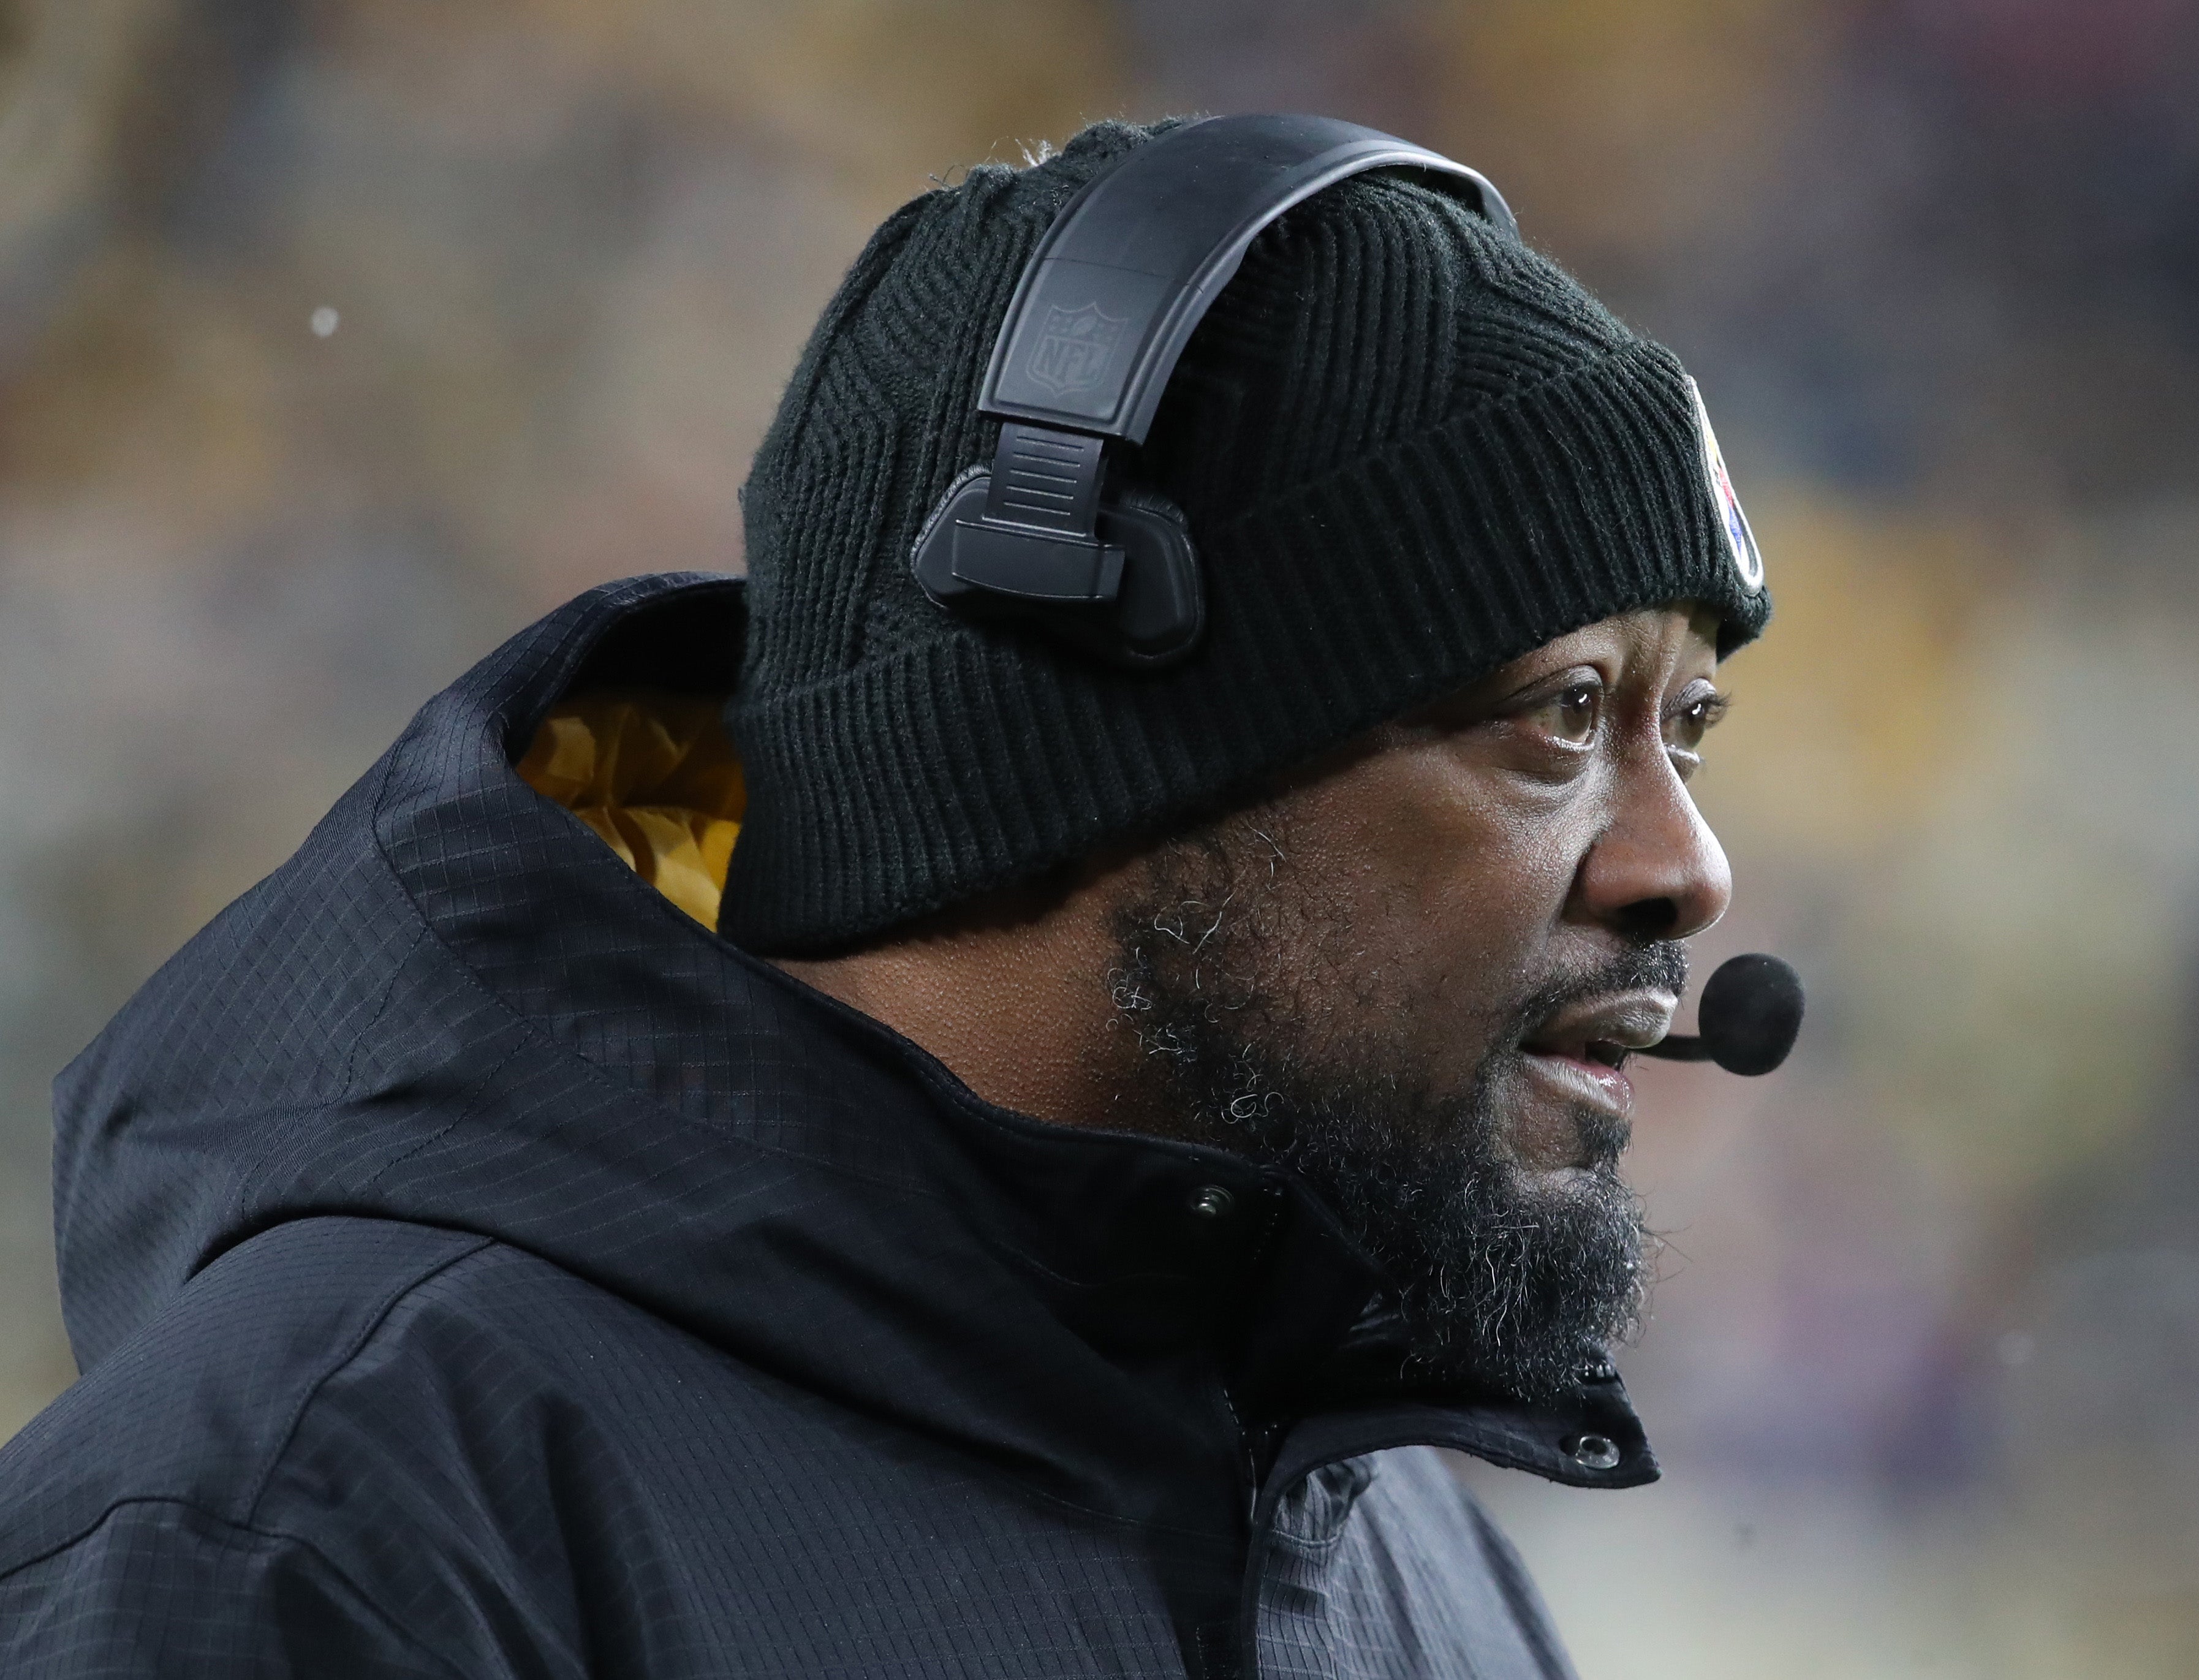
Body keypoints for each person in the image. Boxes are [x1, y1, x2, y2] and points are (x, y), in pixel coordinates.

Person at [0, 117, 1771, 1678]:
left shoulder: (1407, 1558)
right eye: (1557, 716)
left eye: (1684, 728)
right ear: (1081, 749)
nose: (1683, 865)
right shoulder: (323, 1514)